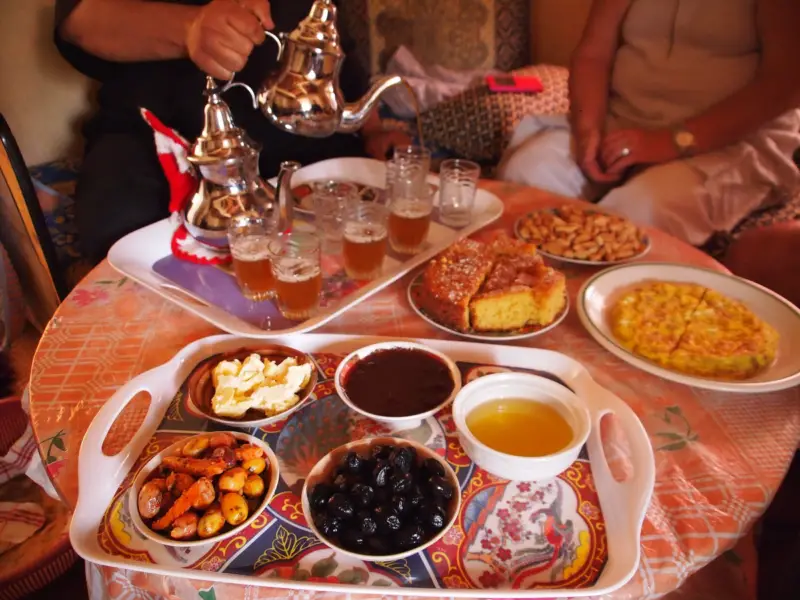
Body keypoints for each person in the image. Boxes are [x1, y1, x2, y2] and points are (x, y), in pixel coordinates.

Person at [54, 0, 410, 263]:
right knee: (121, 235)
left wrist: (373, 129)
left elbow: (334, 62)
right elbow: (80, 21)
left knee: (383, 224)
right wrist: (191, 28)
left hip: (299, 141)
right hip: (160, 142)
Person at [498, 0, 800, 246]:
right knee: (526, 173)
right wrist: (588, 130)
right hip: (623, 120)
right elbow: (593, 54)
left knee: (633, 217)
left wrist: (667, 142)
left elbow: (784, 84)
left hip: (730, 143)